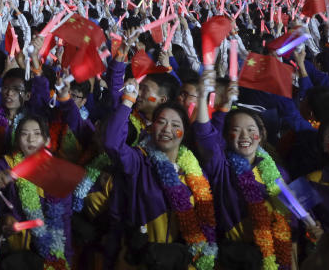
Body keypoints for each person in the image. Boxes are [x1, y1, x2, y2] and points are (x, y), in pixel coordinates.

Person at [103, 79, 218, 269]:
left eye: (175, 125)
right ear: (152, 127)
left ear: (184, 132)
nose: (167, 130)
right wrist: (128, 100)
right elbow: (112, 143)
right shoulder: (138, 162)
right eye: (161, 122)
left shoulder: (196, 173)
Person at [193, 69, 295, 270]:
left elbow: (291, 221)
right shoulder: (221, 166)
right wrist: (203, 96)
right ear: (227, 137)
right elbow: (205, 135)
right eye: (236, 130)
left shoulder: (279, 173)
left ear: (261, 134)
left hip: (273, 259)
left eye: (250, 130)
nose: (244, 136)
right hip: (232, 257)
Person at [0, 114, 73, 269]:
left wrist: (63, 260)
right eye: (24, 134)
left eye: (37, 134)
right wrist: (7, 219)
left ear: (47, 140)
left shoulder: (59, 175)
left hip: (47, 250)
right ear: (17, 140)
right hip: (15, 248)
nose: (31, 140)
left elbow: (64, 222)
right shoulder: (8, 164)